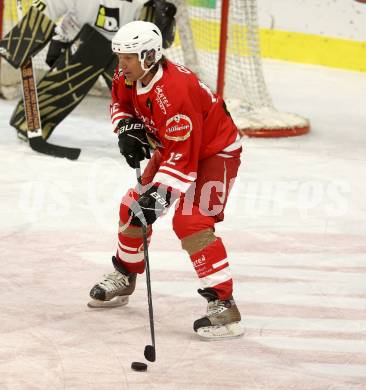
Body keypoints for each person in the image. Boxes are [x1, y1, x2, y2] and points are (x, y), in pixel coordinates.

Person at [88, 21, 244, 340]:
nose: (121, 64)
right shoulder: (128, 74)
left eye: (128, 57)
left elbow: (183, 161)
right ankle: (125, 273)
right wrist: (127, 128)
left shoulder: (175, 92)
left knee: (192, 222)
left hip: (214, 153)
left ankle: (223, 306)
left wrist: (158, 200)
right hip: (173, 146)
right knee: (131, 208)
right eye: (120, 56)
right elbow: (120, 104)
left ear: (149, 55)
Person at [0, 0, 176, 140]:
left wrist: (162, 24)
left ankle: (157, 129)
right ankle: (32, 120)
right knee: (82, 59)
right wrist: (20, 44)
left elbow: (158, 39)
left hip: (125, 49)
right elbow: (48, 7)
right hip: (85, 42)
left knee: (145, 78)